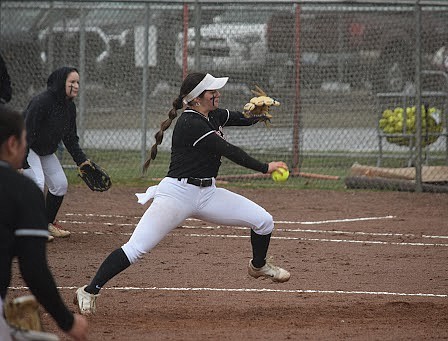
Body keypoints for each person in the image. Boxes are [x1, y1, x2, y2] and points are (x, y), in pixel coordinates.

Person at [74, 72, 291, 315]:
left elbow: (239, 118)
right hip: (177, 195)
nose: (217, 94)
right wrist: (265, 168)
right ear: (197, 98)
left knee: (263, 221)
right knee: (136, 248)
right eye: (212, 92)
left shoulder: (211, 114)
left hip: (208, 194)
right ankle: (89, 290)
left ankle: (258, 266)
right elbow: (228, 150)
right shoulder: (190, 123)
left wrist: (255, 116)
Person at [0, 104, 88, 340]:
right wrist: (67, 322)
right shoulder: (21, 190)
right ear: (11, 144)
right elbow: (33, 270)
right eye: (24, 140)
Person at [23, 66, 91, 239]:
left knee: (60, 184)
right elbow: (26, 131)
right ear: (62, 83)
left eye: (78, 82)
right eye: (72, 82)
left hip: (45, 150)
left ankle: (46, 223)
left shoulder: (69, 107)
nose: (76, 86)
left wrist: (81, 161)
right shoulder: (42, 102)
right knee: (37, 183)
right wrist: (20, 161)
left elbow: (70, 138)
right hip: (27, 147)